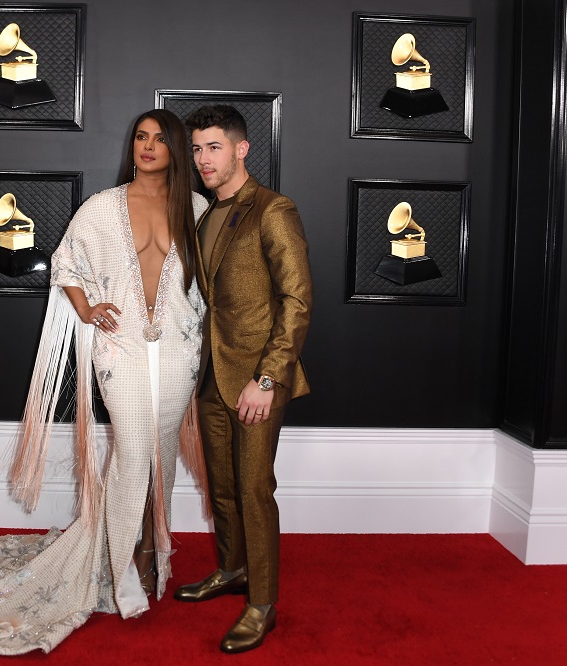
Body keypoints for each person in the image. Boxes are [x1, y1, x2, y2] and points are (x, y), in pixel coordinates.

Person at [0, 108, 210, 655]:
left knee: (159, 450)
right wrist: (87, 310)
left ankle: (154, 551)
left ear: (177, 149)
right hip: (121, 348)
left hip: (179, 351)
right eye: (140, 137)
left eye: (159, 139)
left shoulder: (197, 209)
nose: (147, 147)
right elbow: (65, 265)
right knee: (132, 450)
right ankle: (121, 571)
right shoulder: (102, 208)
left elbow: (210, 284)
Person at [173, 105, 312, 654]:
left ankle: (263, 603)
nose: (204, 159)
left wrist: (269, 378)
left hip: (258, 379)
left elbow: (297, 302)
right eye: (198, 149)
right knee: (223, 488)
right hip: (211, 375)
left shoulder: (273, 210)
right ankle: (231, 570)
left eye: (213, 147)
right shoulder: (207, 215)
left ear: (241, 148)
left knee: (254, 490)